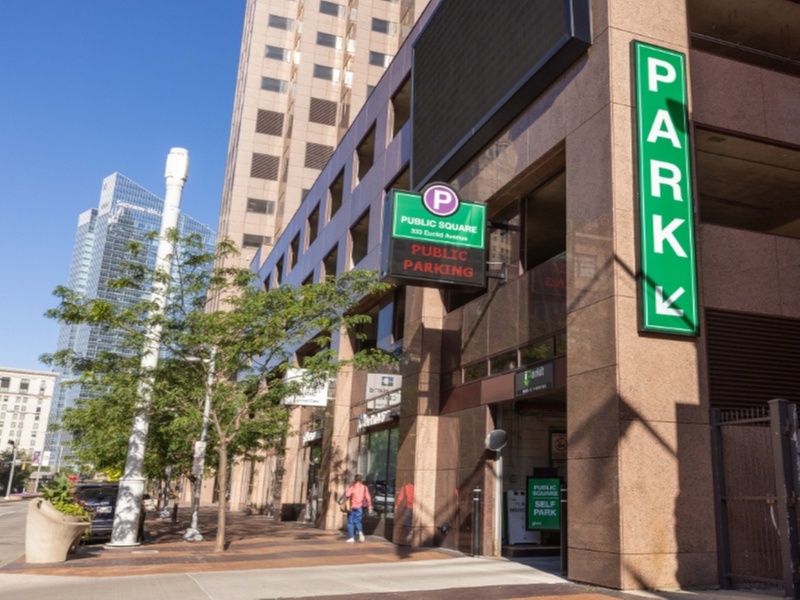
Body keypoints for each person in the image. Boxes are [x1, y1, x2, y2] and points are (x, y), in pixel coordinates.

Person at [343, 474, 372, 543]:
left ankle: (351, 537)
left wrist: (349, 488)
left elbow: (347, 494)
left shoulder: (352, 486)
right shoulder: (364, 487)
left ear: (355, 479)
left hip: (352, 507)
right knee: (357, 521)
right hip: (359, 507)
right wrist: (370, 506)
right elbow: (368, 497)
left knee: (350, 522)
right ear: (361, 479)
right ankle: (360, 532)